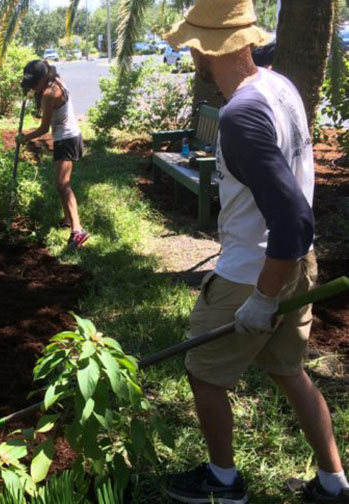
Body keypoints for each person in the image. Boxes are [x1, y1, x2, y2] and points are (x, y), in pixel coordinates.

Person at [161, 1, 349, 503]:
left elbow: (292, 217)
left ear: (206, 47)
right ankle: (334, 483)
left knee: (203, 371)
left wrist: (263, 297)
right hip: (298, 262)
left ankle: (223, 482)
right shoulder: (277, 85)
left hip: (255, 268)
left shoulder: (240, 116)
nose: (191, 56)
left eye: (193, 46)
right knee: (288, 370)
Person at [17, 60, 89, 249]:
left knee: (63, 185)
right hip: (67, 137)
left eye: (34, 84)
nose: (33, 87)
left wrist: (25, 138)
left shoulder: (49, 94)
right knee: (60, 184)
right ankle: (67, 220)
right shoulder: (56, 79)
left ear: (43, 78)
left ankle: (78, 230)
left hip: (67, 139)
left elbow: (43, 128)